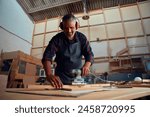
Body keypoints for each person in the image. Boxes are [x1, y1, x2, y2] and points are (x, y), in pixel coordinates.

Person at [42, 14, 94, 89]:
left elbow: (89, 54)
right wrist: (49, 74)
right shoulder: (57, 39)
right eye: (66, 28)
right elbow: (47, 56)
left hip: (78, 79)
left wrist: (86, 66)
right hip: (60, 81)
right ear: (61, 26)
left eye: (71, 27)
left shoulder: (82, 38)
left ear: (77, 26)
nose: (69, 31)